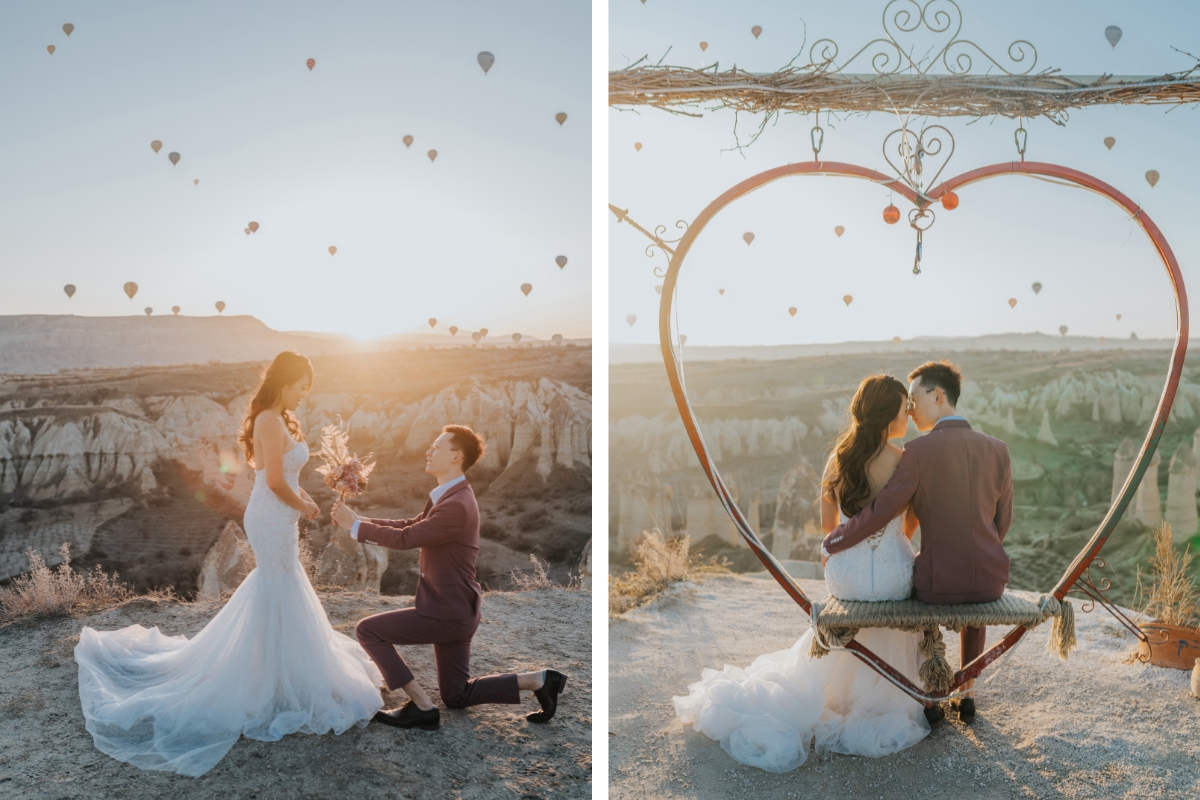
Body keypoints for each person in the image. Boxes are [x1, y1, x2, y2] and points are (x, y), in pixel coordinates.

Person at [74, 351, 384, 777]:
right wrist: (306, 507)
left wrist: (305, 499)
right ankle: (270, 674)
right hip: (272, 512)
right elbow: (274, 480)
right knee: (277, 582)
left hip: (280, 511)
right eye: (300, 386)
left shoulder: (278, 418)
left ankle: (273, 669)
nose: (304, 395)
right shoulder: (270, 420)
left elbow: (283, 479)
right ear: (283, 382)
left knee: (280, 582)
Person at [673, 375, 929, 773]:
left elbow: (830, 529)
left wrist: (853, 551)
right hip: (893, 574)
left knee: (857, 599)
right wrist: (890, 543)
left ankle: (838, 691)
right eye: (903, 408)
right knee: (899, 587)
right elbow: (911, 523)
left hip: (846, 575)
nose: (909, 414)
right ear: (886, 415)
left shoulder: (837, 461)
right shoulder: (904, 460)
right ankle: (884, 689)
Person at [331, 425, 567, 730]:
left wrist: (356, 528)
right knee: (456, 695)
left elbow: (408, 538)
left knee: (368, 631)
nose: (429, 451)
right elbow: (411, 524)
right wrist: (358, 520)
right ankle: (539, 680)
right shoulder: (452, 494)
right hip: (458, 609)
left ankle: (421, 706)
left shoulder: (456, 504)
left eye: (436, 447)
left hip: (446, 611)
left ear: (456, 456)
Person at [824, 360, 1013, 724]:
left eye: (913, 399)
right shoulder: (999, 449)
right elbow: (1003, 522)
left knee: (914, 576)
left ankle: (930, 697)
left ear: (938, 396)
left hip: (937, 586)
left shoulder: (918, 453)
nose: (909, 410)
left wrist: (834, 541)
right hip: (991, 581)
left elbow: (880, 513)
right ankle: (967, 691)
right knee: (972, 595)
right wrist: (981, 550)